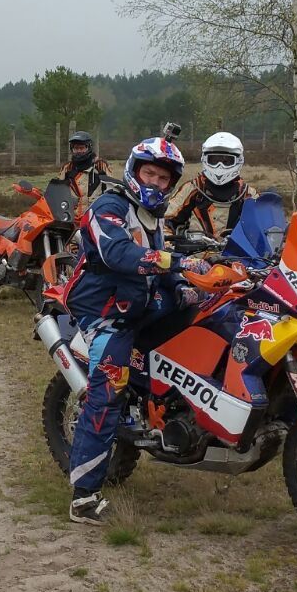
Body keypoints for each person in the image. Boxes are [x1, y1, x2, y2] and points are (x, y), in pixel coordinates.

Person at [62, 137, 208, 525]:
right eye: (149, 173)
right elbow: (120, 254)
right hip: (106, 313)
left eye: (163, 178)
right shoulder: (109, 207)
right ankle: (84, 497)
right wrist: (179, 262)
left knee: (207, 315)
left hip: (139, 303)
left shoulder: (153, 216)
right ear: (134, 170)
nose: (155, 182)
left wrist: (183, 283)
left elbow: (157, 266)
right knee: (107, 392)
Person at [166, 131, 255, 238]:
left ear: (239, 161)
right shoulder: (192, 188)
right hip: (194, 248)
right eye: (214, 160)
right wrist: (169, 244)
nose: (220, 166)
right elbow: (165, 220)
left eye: (226, 161)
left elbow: (264, 226)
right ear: (204, 159)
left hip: (237, 249)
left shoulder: (247, 194)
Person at [60, 131, 112, 203]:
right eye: (76, 148)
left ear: (89, 148)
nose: (79, 151)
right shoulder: (67, 167)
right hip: (73, 208)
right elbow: (59, 190)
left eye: (82, 148)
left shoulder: (100, 165)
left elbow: (111, 189)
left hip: (95, 208)